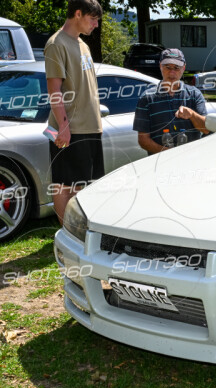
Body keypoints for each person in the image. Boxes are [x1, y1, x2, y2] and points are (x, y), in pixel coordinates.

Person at [45, 0, 103, 226]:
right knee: (65, 184)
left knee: (84, 185)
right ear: (78, 14)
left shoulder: (83, 44)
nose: (96, 25)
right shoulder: (56, 44)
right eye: (93, 19)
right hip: (70, 128)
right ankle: (67, 234)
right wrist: (63, 126)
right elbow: (54, 89)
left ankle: (79, 232)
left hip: (90, 127)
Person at [133, 49, 209, 155]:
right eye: (167, 67)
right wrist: (169, 154)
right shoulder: (146, 98)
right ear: (160, 66)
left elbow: (206, 129)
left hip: (192, 159)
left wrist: (192, 115)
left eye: (176, 68)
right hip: (161, 161)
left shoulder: (194, 94)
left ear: (183, 68)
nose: (172, 72)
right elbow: (143, 140)